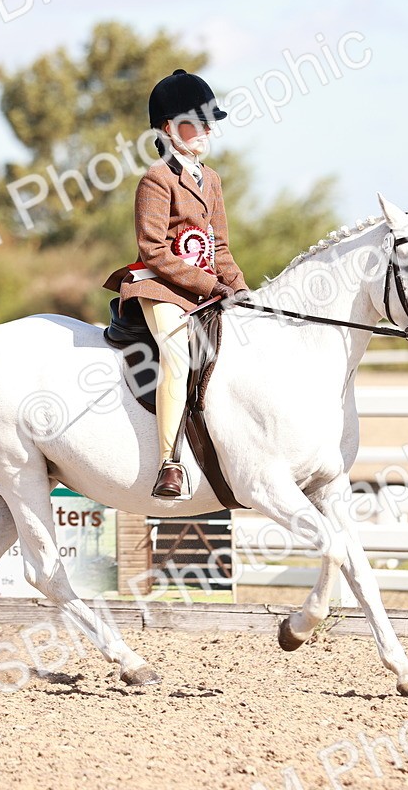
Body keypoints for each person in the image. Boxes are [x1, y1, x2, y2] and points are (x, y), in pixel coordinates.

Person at [103, 69, 250, 499]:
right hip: (159, 286)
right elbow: (153, 250)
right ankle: (170, 462)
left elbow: (219, 246)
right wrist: (209, 286)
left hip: (202, 286)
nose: (207, 131)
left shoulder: (212, 179)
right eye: (196, 123)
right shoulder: (156, 179)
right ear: (169, 128)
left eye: (209, 123)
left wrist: (240, 289)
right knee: (177, 353)